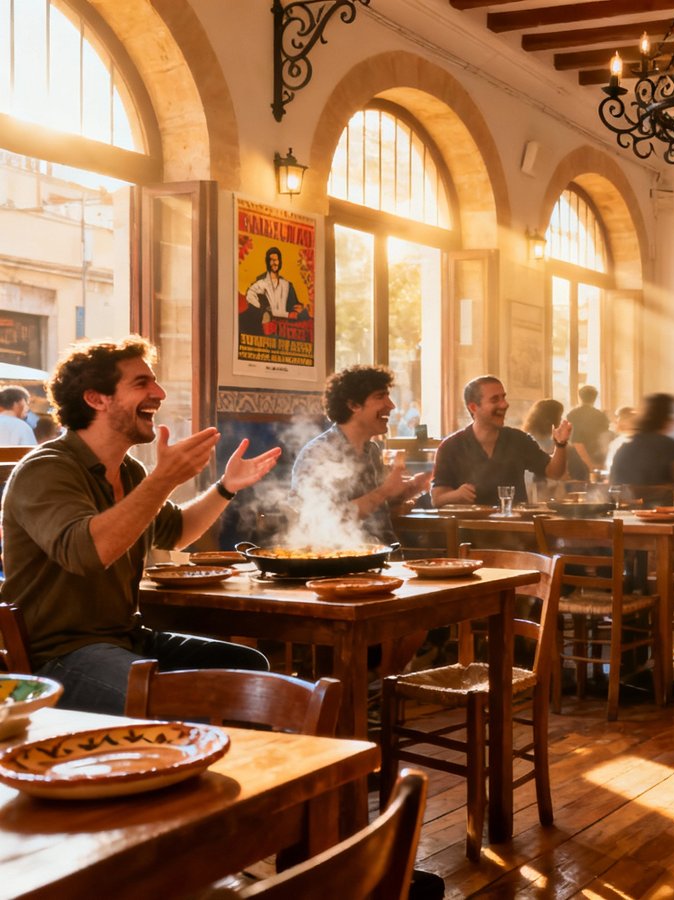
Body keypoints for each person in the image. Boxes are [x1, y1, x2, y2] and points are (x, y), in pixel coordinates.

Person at [1, 337, 281, 713]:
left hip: (127, 640)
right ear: (96, 399)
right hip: (57, 657)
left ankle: (243, 754)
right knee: (171, 700)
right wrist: (163, 480)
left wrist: (226, 487)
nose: (159, 393)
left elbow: (176, 531)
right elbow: (88, 553)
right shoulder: (45, 469)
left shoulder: (130, 470)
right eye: (141, 383)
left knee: (249, 669)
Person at [292, 364, 431, 546]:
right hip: (338, 558)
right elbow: (321, 519)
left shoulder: (371, 450)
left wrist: (408, 490)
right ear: (353, 405)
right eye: (380, 396)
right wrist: (384, 491)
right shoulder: (319, 454)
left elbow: (376, 507)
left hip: (382, 553)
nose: (391, 405)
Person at [431, 376, 570, 507]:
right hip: (472, 524)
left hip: (515, 523)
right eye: (495, 400)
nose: (504, 404)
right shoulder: (451, 446)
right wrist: (456, 495)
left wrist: (561, 444)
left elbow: (554, 472)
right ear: (473, 407)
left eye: (503, 397)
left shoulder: (518, 440)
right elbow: (437, 499)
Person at [610, 393, 674, 492]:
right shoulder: (668, 445)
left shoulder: (624, 447)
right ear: (667, 419)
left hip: (625, 501)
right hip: (662, 501)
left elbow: (613, 482)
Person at [240, 246, 305, 337]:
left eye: (276, 260)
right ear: (267, 262)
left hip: (282, 328)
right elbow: (250, 295)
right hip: (264, 326)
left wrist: (300, 310)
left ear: (280, 261)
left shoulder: (287, 285)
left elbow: (295, 307)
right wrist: (262, 309)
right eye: (271, 260)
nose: (274, 263)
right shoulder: (261, 282)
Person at [524, 397, 587, 483]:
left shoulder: (524, 441)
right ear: (551, 420)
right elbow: (582, 475)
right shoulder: (564, 447)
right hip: (556, 490)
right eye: (560, 418)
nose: (561, 421)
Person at [566, 384, 608, 471]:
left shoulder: (572, 414)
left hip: (575, 457)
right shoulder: (600, 416)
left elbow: (575, 441)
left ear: (579, 397)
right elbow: (605, 439)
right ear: (595, 399)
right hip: (596, 456)